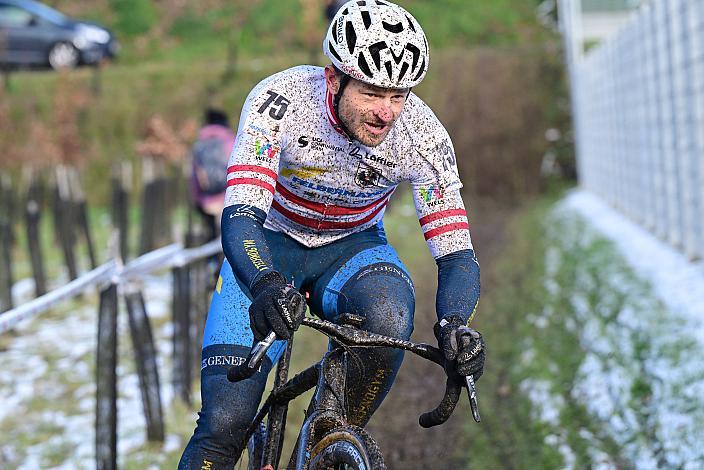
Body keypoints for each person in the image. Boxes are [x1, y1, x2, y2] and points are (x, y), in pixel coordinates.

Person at [180, 1, 485, 467]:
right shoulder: (279, 101)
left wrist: (455, 325)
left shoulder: (422, 136)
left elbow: (456, 253)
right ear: (333, 78)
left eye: (398, 95)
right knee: (223, 427)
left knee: (388, 312)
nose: (386, 112)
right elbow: (240, 213)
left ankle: (325, 442)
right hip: (269, 242)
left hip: (353, 250)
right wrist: (262, 282)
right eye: (372, 92)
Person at [190, 108, 236, 242]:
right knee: (230, 239)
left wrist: (197, 200)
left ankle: (212, 262)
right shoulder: (230, 140)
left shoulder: (199, 144)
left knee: (211, 238)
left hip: (207, 201)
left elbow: (194, 177)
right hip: (229, 198)